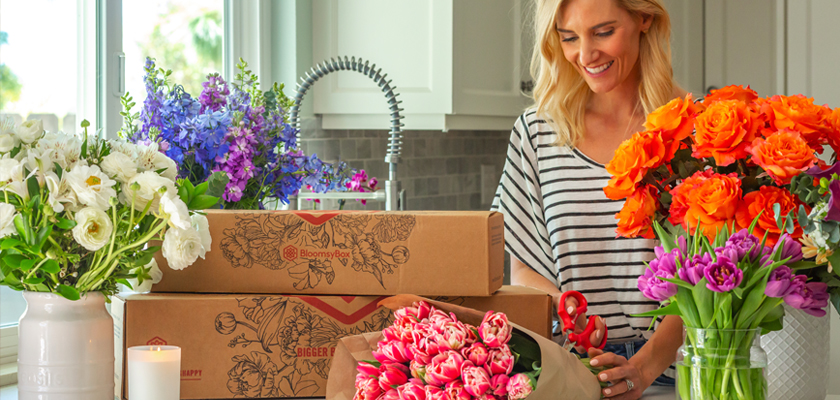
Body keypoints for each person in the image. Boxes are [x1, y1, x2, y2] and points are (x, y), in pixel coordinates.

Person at [490, 0, 685, 398]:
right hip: (571, 369)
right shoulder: (537, 133)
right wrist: (571, 312)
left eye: (603, 32)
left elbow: (712, 277)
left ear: (644, 18)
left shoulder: (692, 129)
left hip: (680, 372)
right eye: (569, 38)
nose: (585, 55)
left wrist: (644, 367)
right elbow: (523, 267)